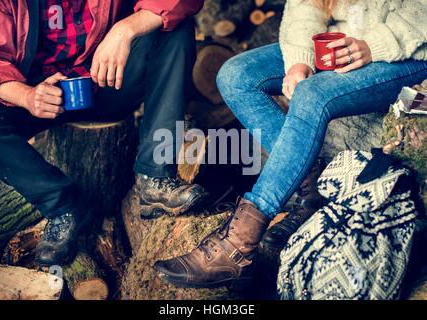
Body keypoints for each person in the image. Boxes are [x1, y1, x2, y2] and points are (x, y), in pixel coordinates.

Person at [154, 0, 427, 288]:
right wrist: (300, 59)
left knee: (313, 94)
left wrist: (375, 44)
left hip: (405, 52)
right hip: (342, 42)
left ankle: (238, 245)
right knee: (235, 75)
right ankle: (312, 189)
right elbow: (306, 4)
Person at [0, 0, 206, 267]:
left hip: (107, 84)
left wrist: (124, 30)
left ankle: (155, 176)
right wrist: (27, 96)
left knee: (175, 28)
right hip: (40, 98)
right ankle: (64, 206)